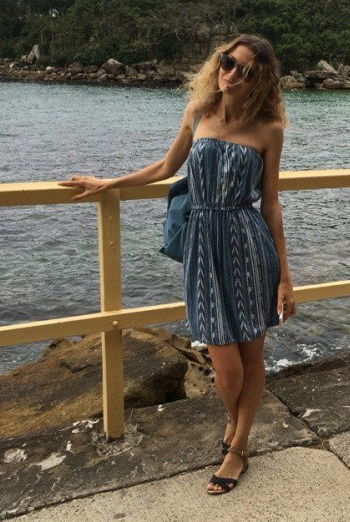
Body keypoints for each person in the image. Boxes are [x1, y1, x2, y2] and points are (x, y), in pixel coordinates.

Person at [59, 34, 296, 495]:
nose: (231, 73)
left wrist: (285, 277)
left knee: (252, 357)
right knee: (227, 369)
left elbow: (270, 204)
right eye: (227, 61)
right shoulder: (197, 113)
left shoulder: (269, 130)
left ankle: (238, 448)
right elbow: (166, 168)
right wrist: (109, 183)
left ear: (260, 80)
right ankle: (236, 421)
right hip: (203, 249)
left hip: (249, 246)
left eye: (245, 70)